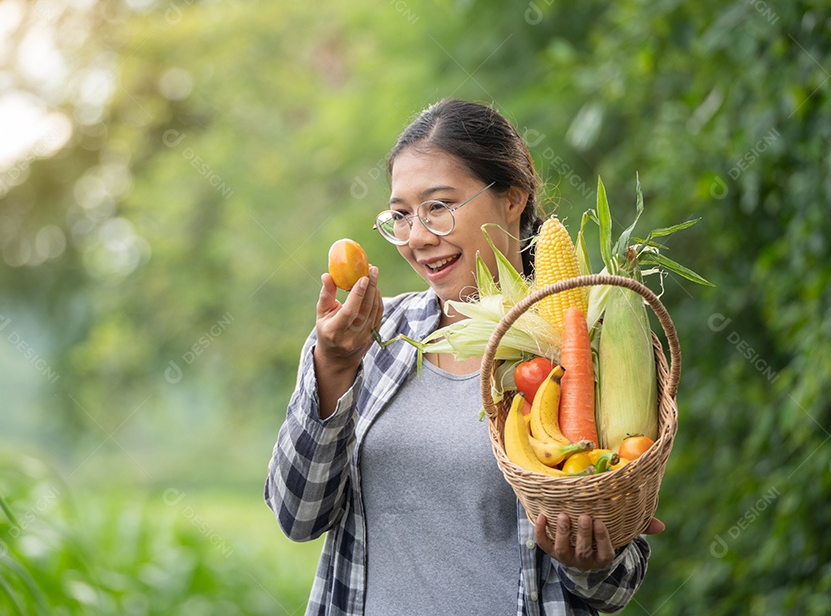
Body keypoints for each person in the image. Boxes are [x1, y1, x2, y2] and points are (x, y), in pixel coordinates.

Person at [264, 99, 661, 615]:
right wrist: (333, 368)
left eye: (439, 206)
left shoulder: (584, 345)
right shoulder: (372, 339)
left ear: (513, 198)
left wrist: (588, 562)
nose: (419, 237)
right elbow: (297, 517)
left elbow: (616, 587)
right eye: (401, 215)